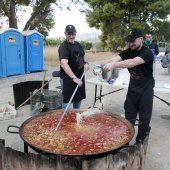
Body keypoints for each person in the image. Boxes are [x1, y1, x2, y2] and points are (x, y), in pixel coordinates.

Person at [100, 28, 155, 143]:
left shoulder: (147, 52)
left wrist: (113, 65)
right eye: (129, 41)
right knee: (129, 113)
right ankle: (127, 139)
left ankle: (140, 139)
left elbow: (133, 62)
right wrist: (103, 64)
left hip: (146, 88)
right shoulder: (128, 51)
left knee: (144, 117)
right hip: (133, 88)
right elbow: (114, 58)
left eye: (133, 41)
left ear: (141, 39)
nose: (130, 44)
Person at [58, 24, 89, 109]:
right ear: (65, 34)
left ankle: (76, 117)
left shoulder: (78, 44)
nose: (71, 36)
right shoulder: (64, 47)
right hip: (68, 78)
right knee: (67, 102)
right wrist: (73, 78)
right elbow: (64, 63)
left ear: (75, 33)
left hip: (79, 76)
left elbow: (83, 55)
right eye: (69, 34)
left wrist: (86, 63)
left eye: (73, 34)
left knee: (78, 99)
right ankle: (66, 120)